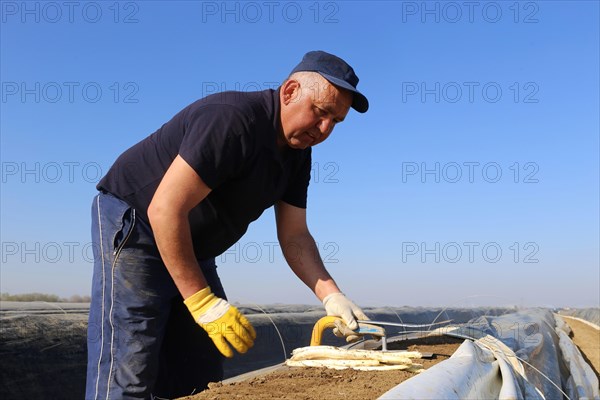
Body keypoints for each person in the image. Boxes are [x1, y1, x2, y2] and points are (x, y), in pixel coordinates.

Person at [85, 50, 370, 399]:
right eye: (320, 112)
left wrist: (332, 296)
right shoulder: (232, 120)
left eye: (335, 122)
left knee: (199, 371)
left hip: (192, 244)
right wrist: (202, 302)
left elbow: (295, 234)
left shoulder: (297, 155)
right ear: (290, 91)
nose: (324, 129)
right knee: (131, 363)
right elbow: (165, 209)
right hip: (138, 226)